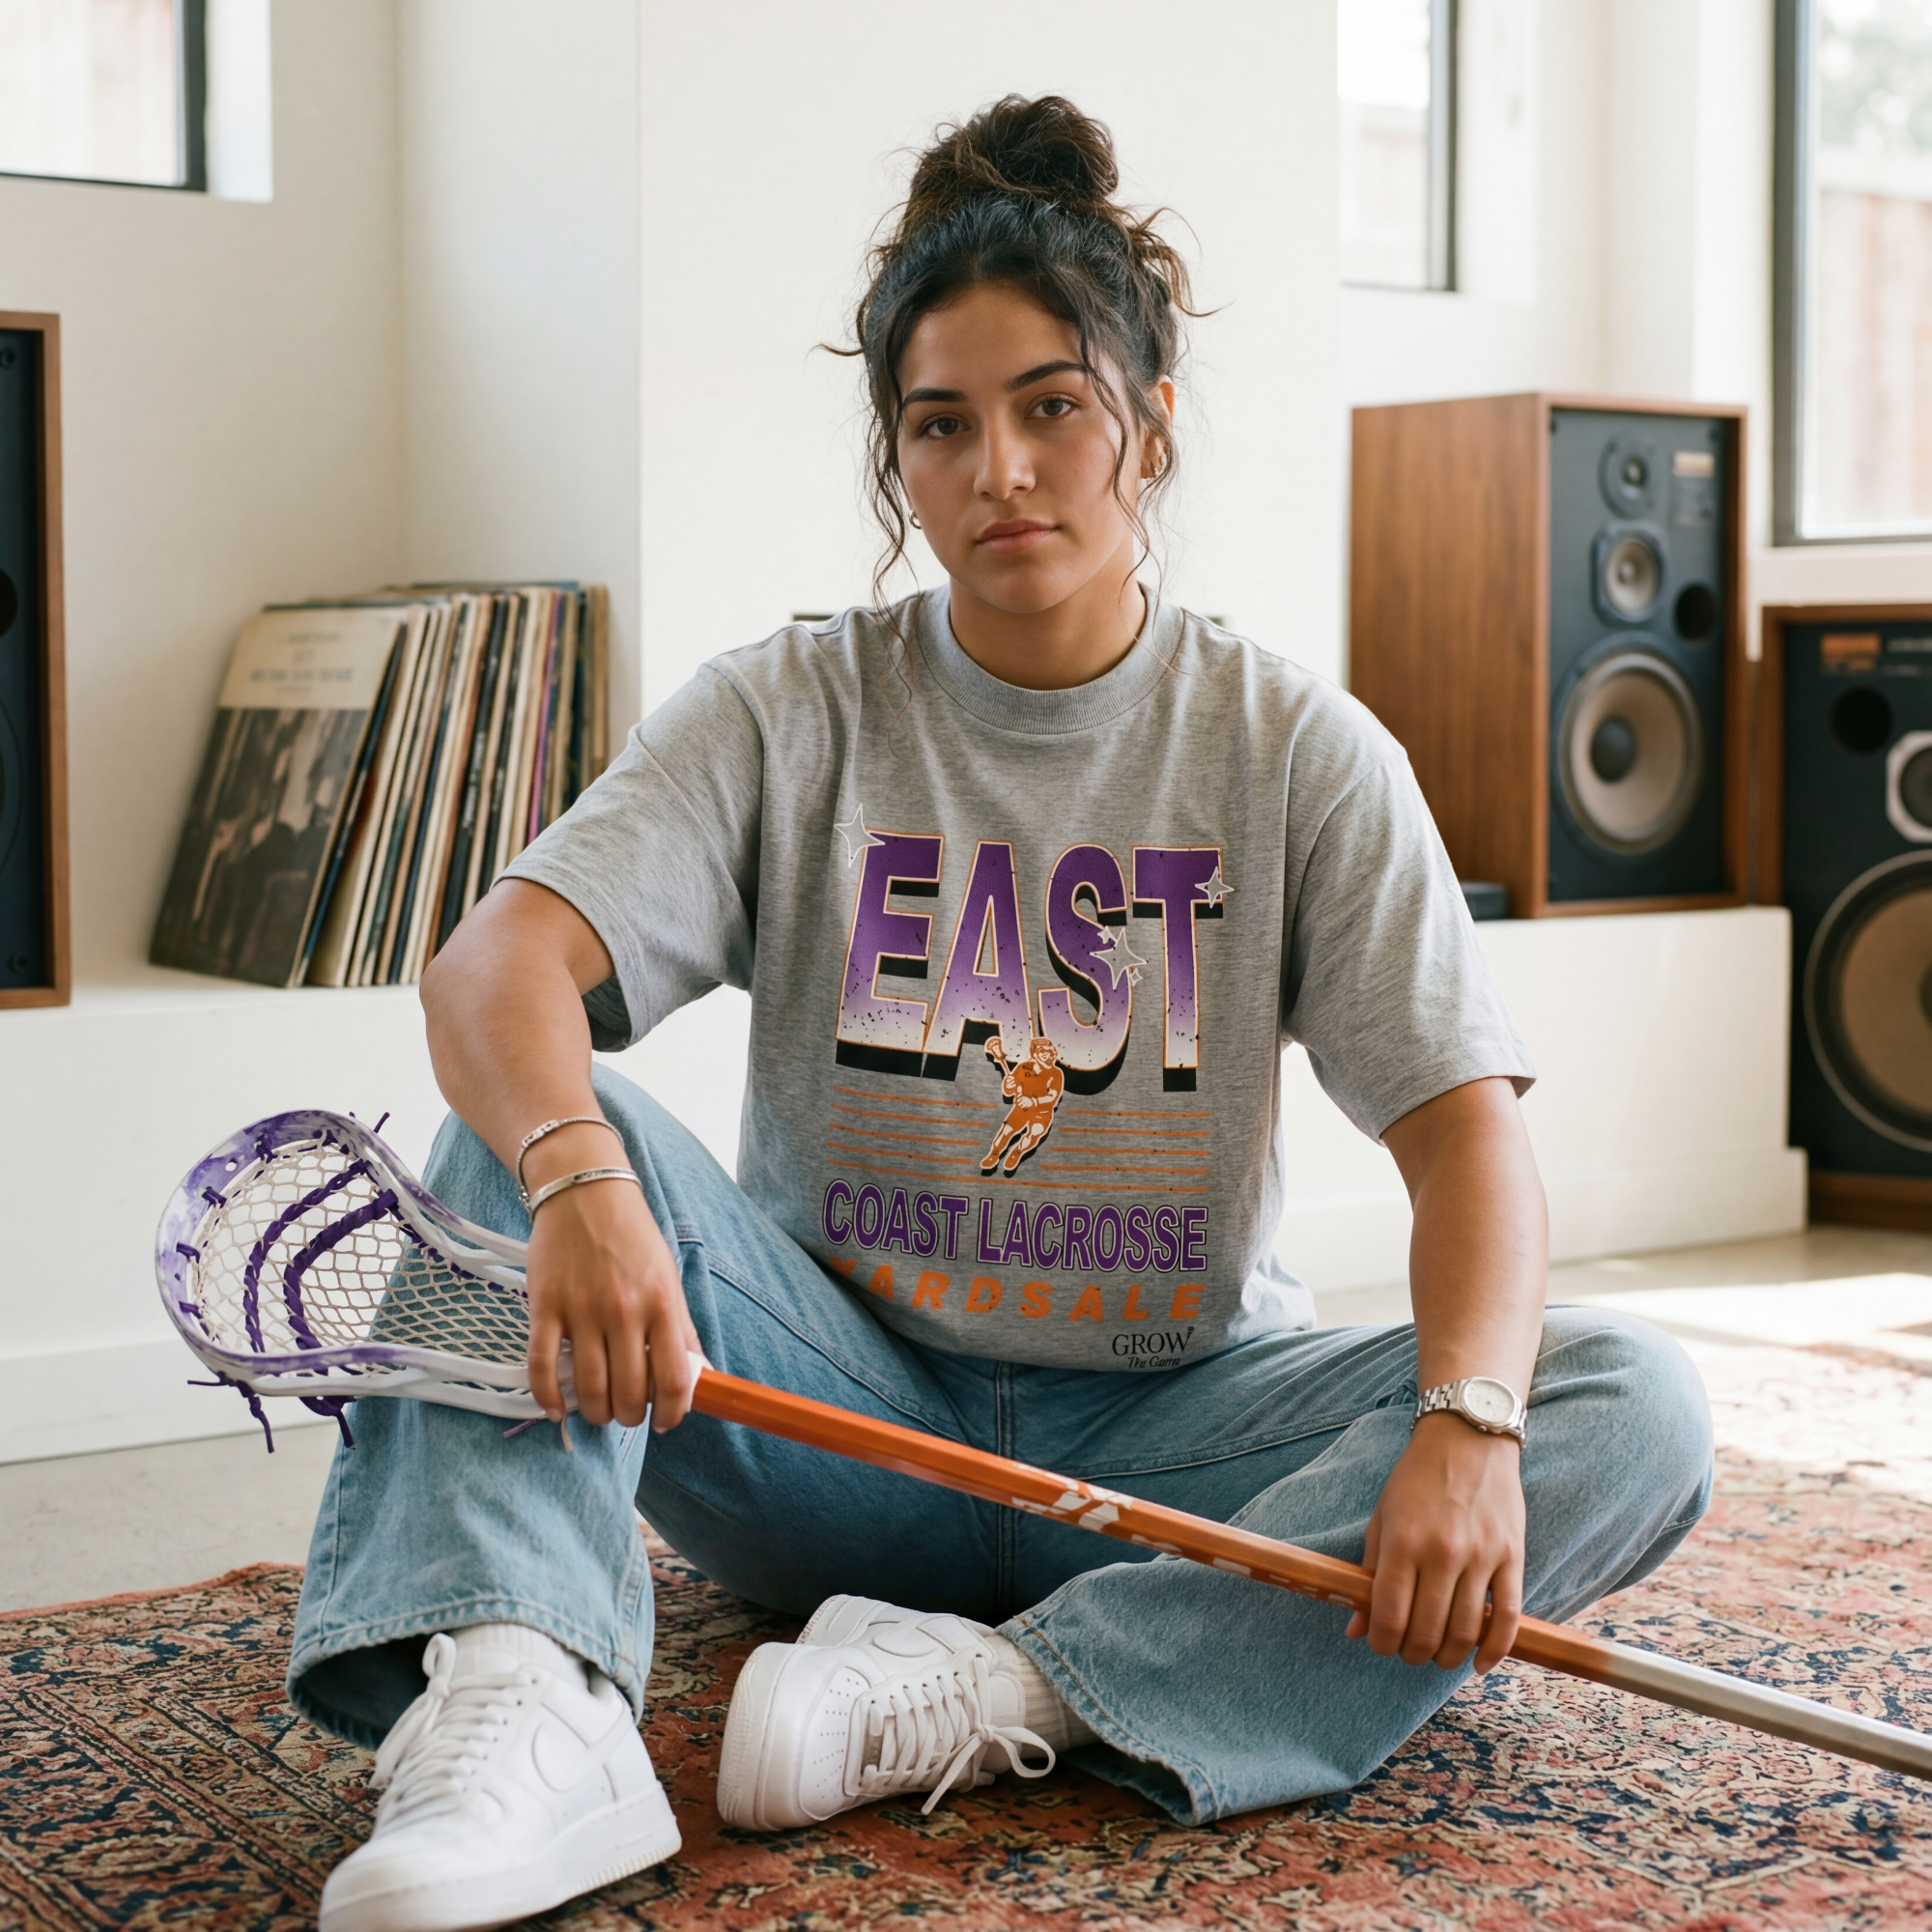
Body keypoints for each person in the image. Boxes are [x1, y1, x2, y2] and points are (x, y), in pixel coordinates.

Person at [291, 95, 1714, 1932]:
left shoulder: (1295, 752)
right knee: (512, 1137)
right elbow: (495, 967)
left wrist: (1466, 1423)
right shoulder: (792, 708)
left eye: (1053, 407)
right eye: (942, 426)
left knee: (1631, 1402)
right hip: (831, 1423)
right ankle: (526, 1704)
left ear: (1151, 424)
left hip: (1166, 1445)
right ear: (900, 460)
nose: (1003, 471)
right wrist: (574, 1173)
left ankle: (1001, 1695)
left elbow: (1468, 1141)